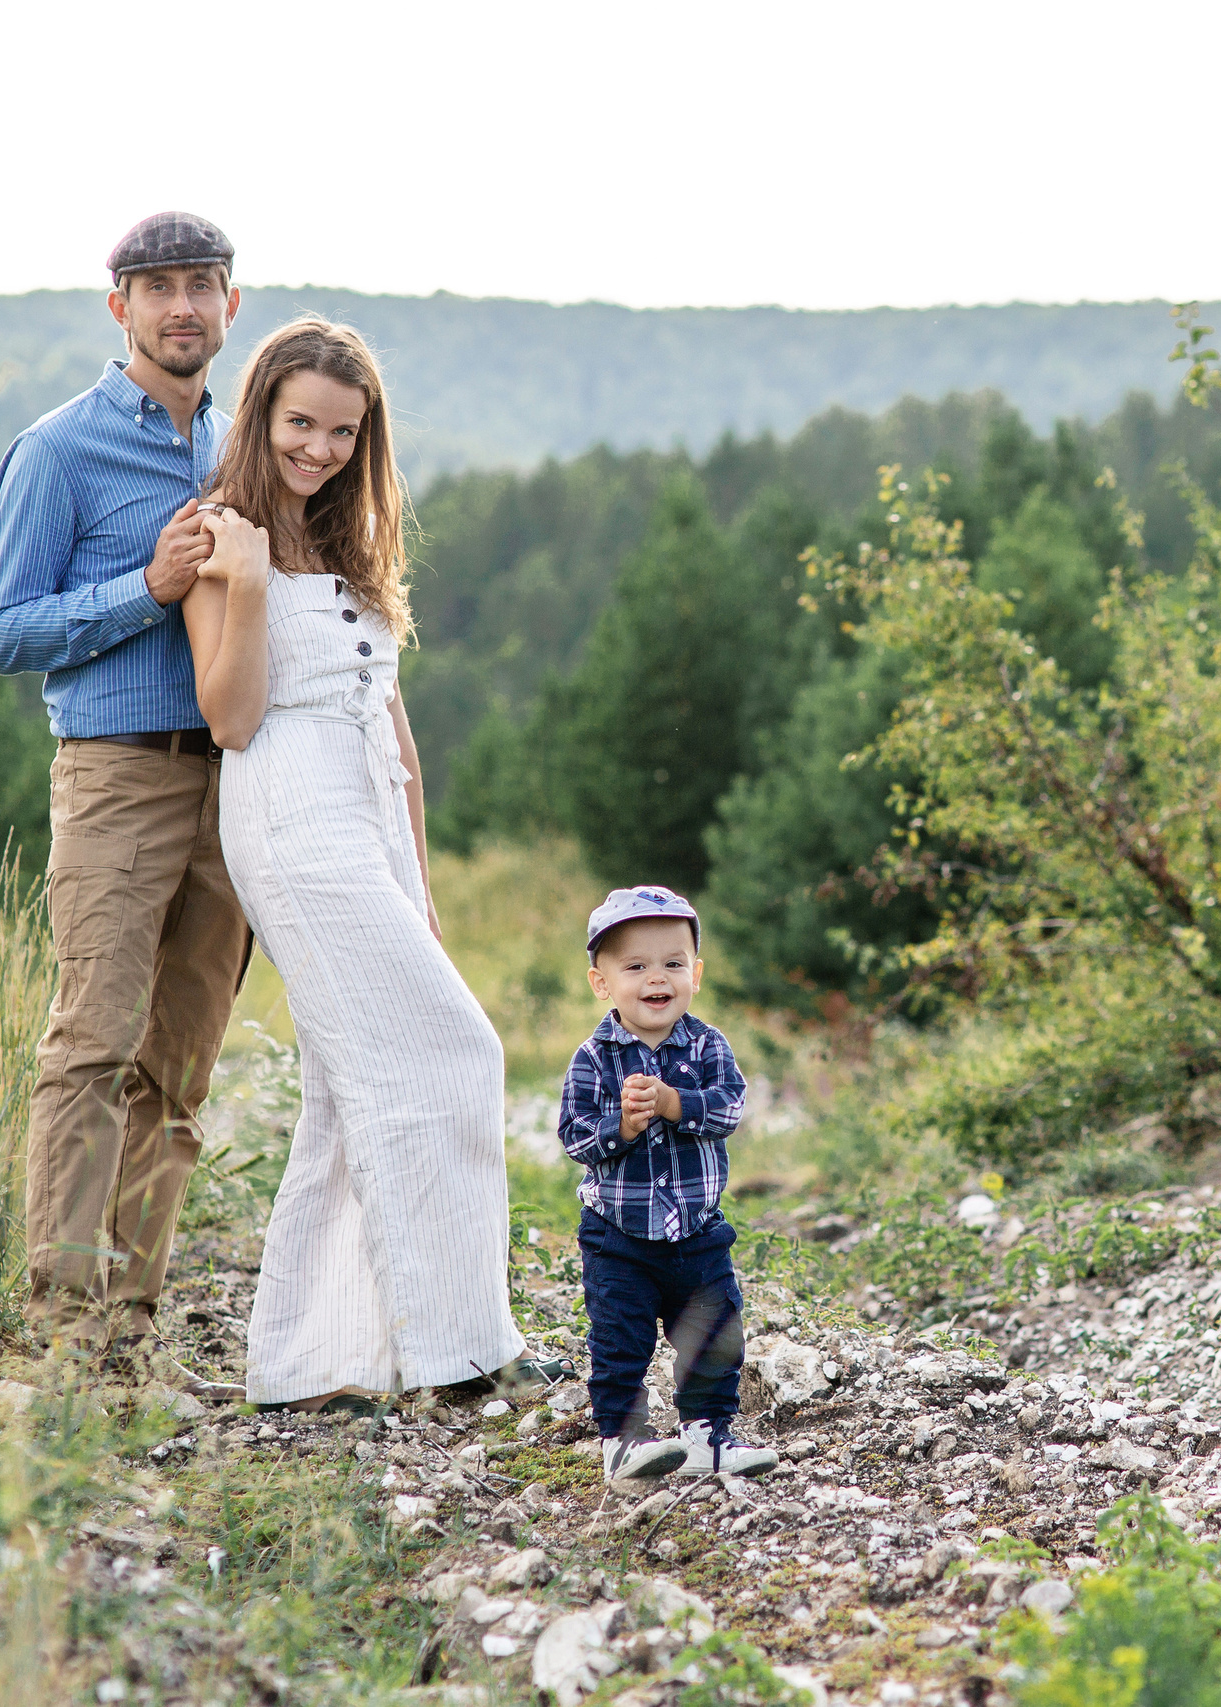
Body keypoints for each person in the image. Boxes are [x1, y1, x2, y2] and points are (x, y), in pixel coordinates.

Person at [181, 316, 543, 1410]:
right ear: (261, 416)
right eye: (301, 424)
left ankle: (316, 1361)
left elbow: (395, 730)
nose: (321, 449)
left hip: (369, 813)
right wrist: (243, 585)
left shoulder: (351, 539)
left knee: (354, 1087)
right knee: (452, 1054)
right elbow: (230, 720)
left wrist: (420, 885)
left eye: (344, 431)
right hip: (291, 814)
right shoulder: (215, 535)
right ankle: (460, 1352)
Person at [0, 212, 250, 1386]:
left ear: (231, 307)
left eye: (202, 285)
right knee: (92, 1043)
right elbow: (4, 633)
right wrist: (145, 587)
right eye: (158, 288)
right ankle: (60, 1317)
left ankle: (129, 1320)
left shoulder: (246, 448)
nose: (182, 306)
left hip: (236, 786)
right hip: (117, 775)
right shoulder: (59, 452)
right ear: (120, 310)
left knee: (178, 1063)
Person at [557, 887, 778, 1480]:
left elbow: (731, 1109)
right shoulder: (594, 1058)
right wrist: (622, 1126)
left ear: (696, 974)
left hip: (697, 1229)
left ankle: (707, 1434)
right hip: (617, 1235)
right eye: (636, 966)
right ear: (601, 982)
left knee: (713, 1331)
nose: (657, 978)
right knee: (620, 1339)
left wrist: (678, 1104)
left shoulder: (708, 1046)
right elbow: (574, 1137)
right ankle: (624, 1442)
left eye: (673, 964)